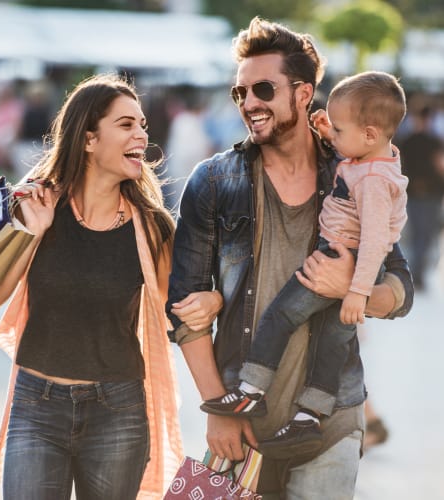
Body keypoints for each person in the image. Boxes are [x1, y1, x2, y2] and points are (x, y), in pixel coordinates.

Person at [167, 17, 413, 500]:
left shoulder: (353, 175)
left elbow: (399, 289)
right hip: (242, 424)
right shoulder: (214, 182)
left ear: (304, 93)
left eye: (263, 89)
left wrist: (353, 288)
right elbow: (184, 310)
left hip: (331, 424)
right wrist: (217, 408)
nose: (249, 103)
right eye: (240, 93)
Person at [0, 73, 183, 499]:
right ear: (89, 139)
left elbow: (177, 310)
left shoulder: (153, 227)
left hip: (118, 411)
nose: (142, 134)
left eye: (143, 124)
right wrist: (31, 232)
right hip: (36, 407)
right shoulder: (39, 204)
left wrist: (211, 299)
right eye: (126, 125)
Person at [199, 71, 408, 462]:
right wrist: (333, 132)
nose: (333, 140)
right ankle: (309, 416)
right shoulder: (371, 159)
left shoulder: (375, 180)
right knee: (331, 343)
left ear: (368, 134)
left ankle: (250, 391)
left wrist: (357, 291)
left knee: (281, 315)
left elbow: (379, 239)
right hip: (354, 261)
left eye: (340, 130)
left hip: (340, 258)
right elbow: (355, 158)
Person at [399, 106, 444, 290]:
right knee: (426, 235)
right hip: (432, 193)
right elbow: (441, 166)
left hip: (412, 192)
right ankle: (418, 273)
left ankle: (414, 272)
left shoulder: (406, 141)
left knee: (415, 234)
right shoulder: (435, 141)